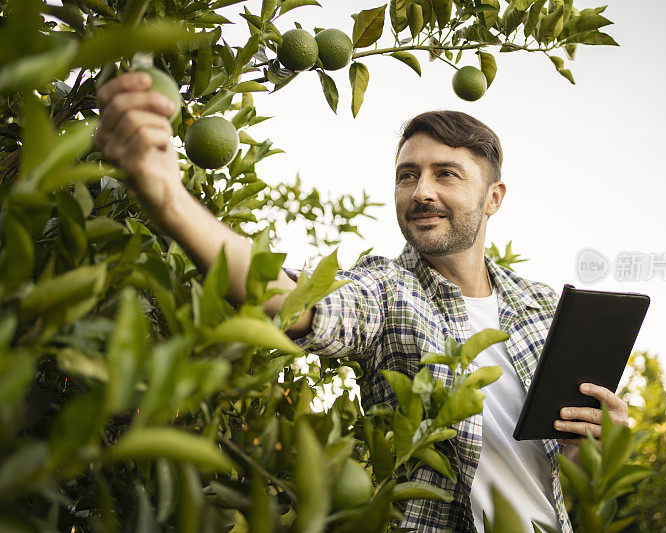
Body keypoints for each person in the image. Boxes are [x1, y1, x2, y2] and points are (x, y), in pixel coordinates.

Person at [94, 72, 631, 533]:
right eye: (407, 175)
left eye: (446, 173)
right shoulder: (389, 290)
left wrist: (597, 447)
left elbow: (571, 479)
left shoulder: (545, 308)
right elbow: (296, 302)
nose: (421, 191)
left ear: (493, 198)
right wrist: (168, 197)